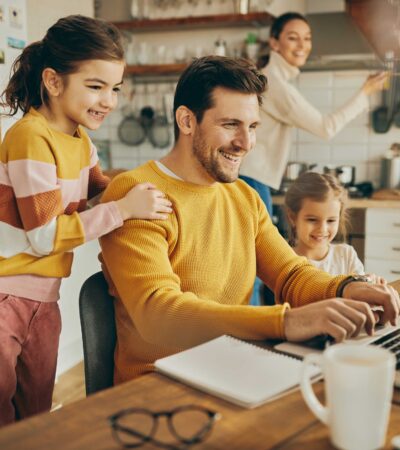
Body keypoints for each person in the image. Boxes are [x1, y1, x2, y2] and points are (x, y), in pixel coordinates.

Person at [99, 56, 399, 384]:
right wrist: (286, 322)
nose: (246, 143)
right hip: (158, 390)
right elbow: (158, 313)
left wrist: (346, 288)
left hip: (235, 369)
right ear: (186, 121)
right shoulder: (134, 193)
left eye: (253, 126)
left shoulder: (243, 196)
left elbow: (291, 274)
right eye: (230, 125)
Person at [0, 15, 172, 426]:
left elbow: (102, 192)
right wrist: (125, 210)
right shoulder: (31, 137)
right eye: (95, 87)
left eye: (114, 88)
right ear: (54, 82)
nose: (108, 100)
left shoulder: (80, 140)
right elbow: (43, 235)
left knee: (35, 411)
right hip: (6, 294)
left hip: (45, 297)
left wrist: (159, 187)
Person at [239, 12, 387, 305]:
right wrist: (366, 91)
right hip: (253, 180)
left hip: (256, 179)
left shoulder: (279, 80)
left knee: (256, 266)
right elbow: (325, 127)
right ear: (275, 42)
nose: (302, 45)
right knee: (256, 270)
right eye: (293, 37)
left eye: (307, 38)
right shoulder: (274, 82)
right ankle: (254, 333)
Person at [284, 172, 386, 284]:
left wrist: (371, 284)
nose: (322, 229)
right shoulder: (285, 261)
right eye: (312, 220)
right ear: (293, 217)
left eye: (331, 220)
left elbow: (360, 293)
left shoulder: (346, 255)